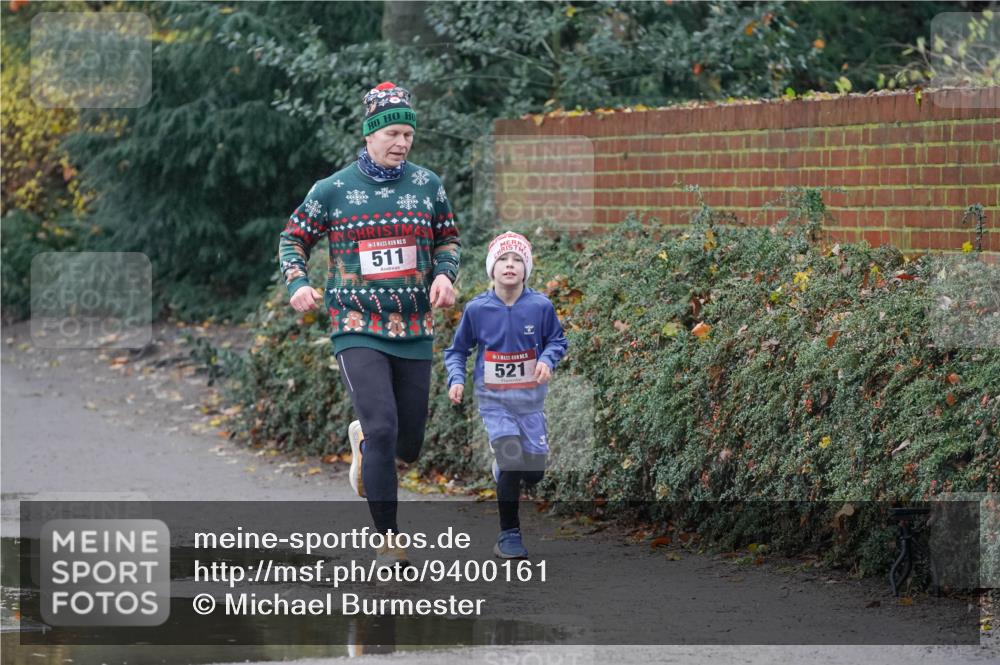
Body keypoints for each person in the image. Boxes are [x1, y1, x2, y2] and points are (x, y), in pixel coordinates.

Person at [278, 82, 459, 568]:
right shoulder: (333, 190)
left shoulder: (427, 186)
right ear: (370, 135)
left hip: (414, 327)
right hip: (355, 324)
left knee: (409, 444)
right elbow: (293, 239)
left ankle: (364, 444)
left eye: (408, 135)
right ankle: (388, 539)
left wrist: (445, 274)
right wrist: (297, 281)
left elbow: (448, 240)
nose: (401, 143)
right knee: (382, 427)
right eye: (393, 133)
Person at [444, 232, 567, 559]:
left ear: (525, 269)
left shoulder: (540, 306)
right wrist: (456, 379)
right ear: (492, 268)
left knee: (534, 471)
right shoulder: (477, 309)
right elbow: (456, 351)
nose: (509, 265)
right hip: (494, 402)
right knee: (511, 460)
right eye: (502, 259)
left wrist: (546, 359)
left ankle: (506, 471)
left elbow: (558, 341)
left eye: (517, 260)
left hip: (530, 404)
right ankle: (509, 535)